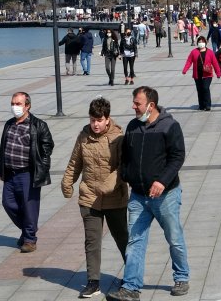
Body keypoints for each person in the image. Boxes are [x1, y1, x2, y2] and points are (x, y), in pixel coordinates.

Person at [108, 87, 190, 301]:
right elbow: (125, 156)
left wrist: (162, 181)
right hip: (138, 196)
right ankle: (131, 288)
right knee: (135, 240)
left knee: (174, 237)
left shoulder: (170, 126)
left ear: (151, 105)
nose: (133, 106)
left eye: (137, 103)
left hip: (166, 196)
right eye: (134, 102)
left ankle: (181, 276)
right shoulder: (133, 127)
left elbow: (177, 157)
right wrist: (127, 174)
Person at [61, 97, 128, 299]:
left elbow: (124, 166)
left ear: (107, 119)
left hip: (114, 197)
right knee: (92, 241)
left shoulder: (119, 136)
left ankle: (132, 275)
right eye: (92, 120)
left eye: (99, 120)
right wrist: (67, 182)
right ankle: (93, 282)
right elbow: (75, 162)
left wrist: (110, 183)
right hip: (89, 196)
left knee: (122, 238)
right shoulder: (83, 136)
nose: (95, 124)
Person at [0, 92, 54, 253]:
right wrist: (1, 169)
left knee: (30, 207)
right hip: (9, 173)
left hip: (28, 173)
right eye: (13, 103)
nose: (14, 107)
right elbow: (3, 148)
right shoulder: (9, 124)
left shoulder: (38, 125)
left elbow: (47, 146)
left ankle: (30, 239)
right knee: (8, 203)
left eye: (18, 104)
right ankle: (28, 229)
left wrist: (42, 167)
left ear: (27, 106)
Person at [182, 36, 221, 111]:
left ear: (205, 43)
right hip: (197, 75)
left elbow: (215, 63)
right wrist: (185, 70)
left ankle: (207, 105)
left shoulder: (210, 52)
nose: (201, 43)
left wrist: (218, 73)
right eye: (199, 42)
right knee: (199, 89)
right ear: (197, 43)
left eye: (202, 42)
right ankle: (201, 105)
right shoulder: (194, 52)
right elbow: (189, 61)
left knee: (205, 88)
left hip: (207, 74)